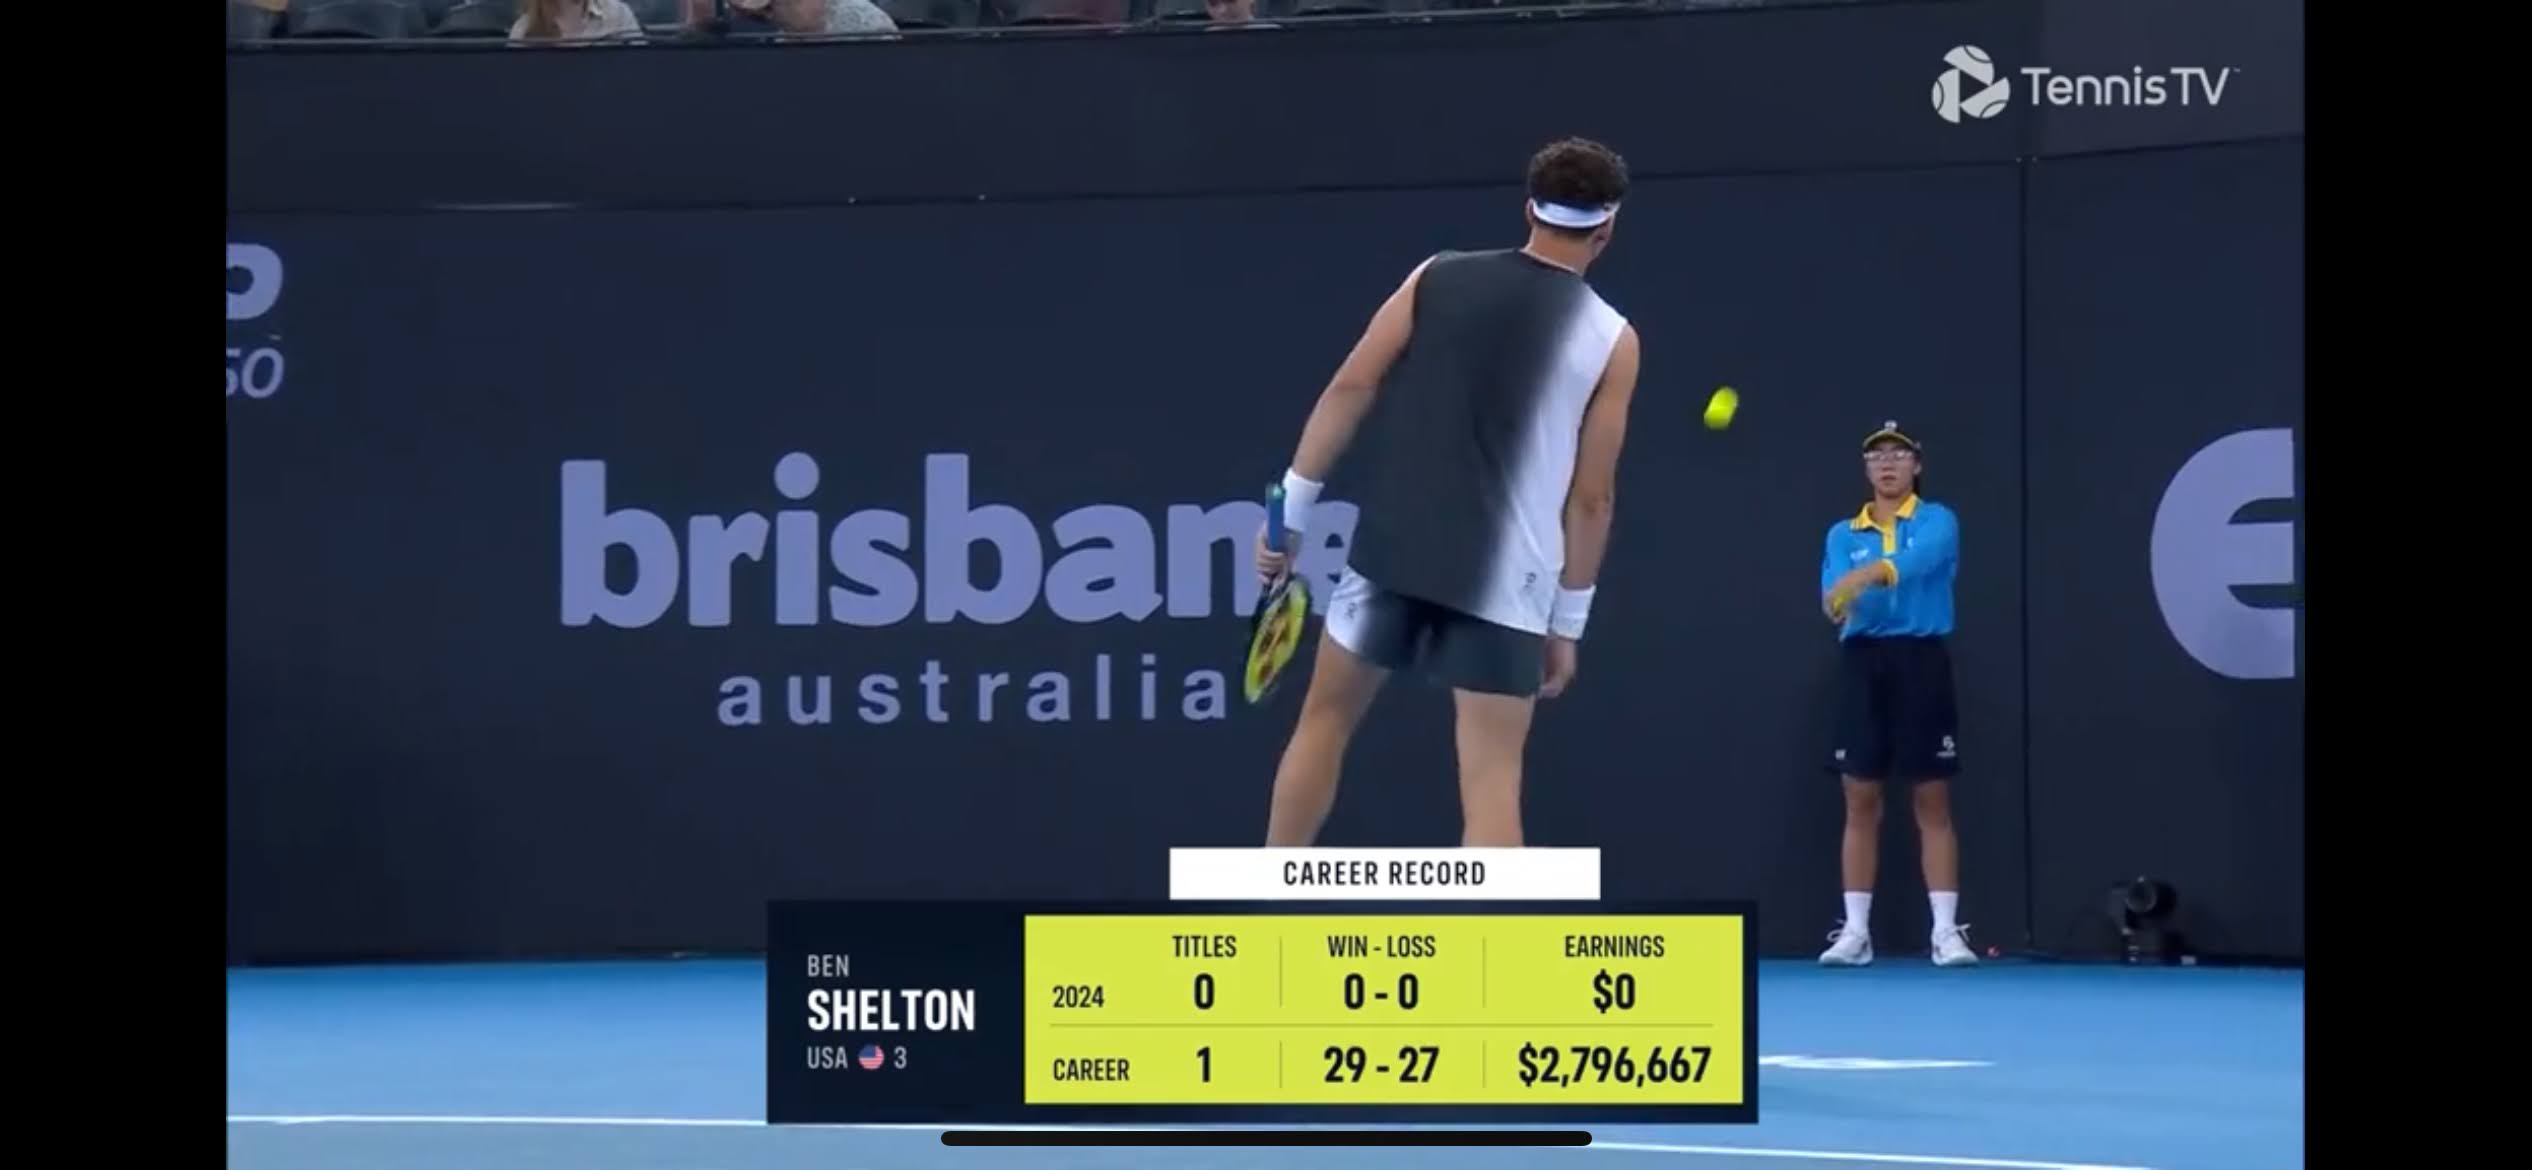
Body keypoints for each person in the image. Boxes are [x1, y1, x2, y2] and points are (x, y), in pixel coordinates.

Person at [1252, 137, 1642, 848]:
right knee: (1492, 781)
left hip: (1394, 554)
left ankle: (1263, 904)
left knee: (1322, 725)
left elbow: (1351, 387)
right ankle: (1485, 936)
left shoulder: (1437, 276)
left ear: (1529, 209)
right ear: (1608, 228)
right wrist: (1567, 625)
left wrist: (1291, 518)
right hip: (1510, 582)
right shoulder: (1614, 340)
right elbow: (1593, 499)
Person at [1816, 422, 1974, 967]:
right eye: (1877, 457)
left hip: (1921, 659)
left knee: (1931, 797)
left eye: (1898, 455)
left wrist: (1862, 579)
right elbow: (1833, 596)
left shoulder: (1937, 520)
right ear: (1866, 469)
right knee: (1860, 798)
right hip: (1864, 662)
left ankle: (1946, 932)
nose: (1887, 464)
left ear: (1916, 466)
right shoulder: (1843, 533)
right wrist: (1840, 598)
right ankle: (1856, 933)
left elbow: (1915, 563)